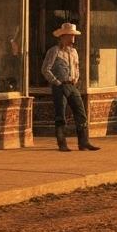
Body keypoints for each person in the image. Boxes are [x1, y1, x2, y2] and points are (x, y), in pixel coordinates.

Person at [41, 22, 99, 152]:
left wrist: (76, 78)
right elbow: (45, 69)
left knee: (81, 113)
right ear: (62, 37)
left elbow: (77, 67)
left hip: (72, 86)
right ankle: (62, 143)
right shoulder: (54, 51)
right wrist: (57, 82)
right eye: (70, 36)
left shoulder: (74, 52)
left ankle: (83, 142)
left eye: (73, 36)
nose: (73, 38)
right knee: (60, 115)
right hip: (60, 86)